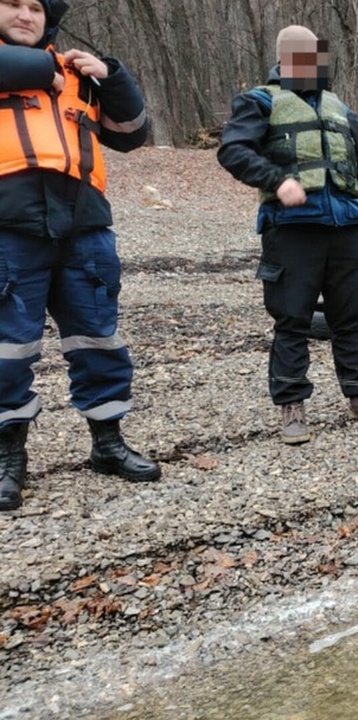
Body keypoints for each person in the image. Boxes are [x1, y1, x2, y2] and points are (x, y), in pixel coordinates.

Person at [1, 0, 159, 511]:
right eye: (11, 4)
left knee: (98, 339)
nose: (25, 14)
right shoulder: (38, 66)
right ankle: (8, 456)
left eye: (34, 7)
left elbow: (134, 134)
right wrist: (47, 67)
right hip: (9, 226)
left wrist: (112, 75)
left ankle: (107, 443)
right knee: (8, 349)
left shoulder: (77, 75)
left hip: (85, 224)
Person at [217, 25, 358, 444]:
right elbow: (232, 151)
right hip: (292, 231)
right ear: (285, 58)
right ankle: (292, 406)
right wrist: (277, 181)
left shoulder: (341, 109)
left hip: (348, 230)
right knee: (291, 320)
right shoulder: (259, 101)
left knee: (349, 320)